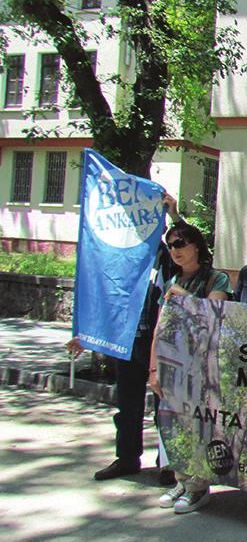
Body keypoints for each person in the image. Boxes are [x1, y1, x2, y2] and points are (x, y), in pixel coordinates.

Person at [78, 193, 182, 484]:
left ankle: (168, 463)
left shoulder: (170, 253)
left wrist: (174, 214)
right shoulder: (121, 253)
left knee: (165, 405)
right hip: (128, 340)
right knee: (128, 405)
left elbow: (197, 253)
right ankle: (126, 458)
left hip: (160, 342)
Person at [149, 221, 232, 513]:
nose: (175, 251)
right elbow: (161, 330)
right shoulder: (171, 283)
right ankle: (182, 479)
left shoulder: (216, 279)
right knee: (174, 424)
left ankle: (199, 486)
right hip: (172, 366)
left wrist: (186, 298)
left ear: (196, 245)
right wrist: (153, 370)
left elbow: (214, 316)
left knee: (199, 425)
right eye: (170, 246)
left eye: (180, 244)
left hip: (202, 367)